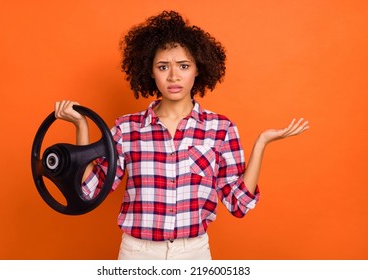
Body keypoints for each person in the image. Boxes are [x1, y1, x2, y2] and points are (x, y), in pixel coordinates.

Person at [55, 11, 309, 260]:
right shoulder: (126, 129)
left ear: (198, 69)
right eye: (163, 66)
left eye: (183, 66)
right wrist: (82, 127)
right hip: (137, 254)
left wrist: (262, 143)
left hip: (194, 253)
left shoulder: (221, 128)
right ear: (150, 71)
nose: (174, 76)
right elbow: (90, 189)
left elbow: (238, 202)